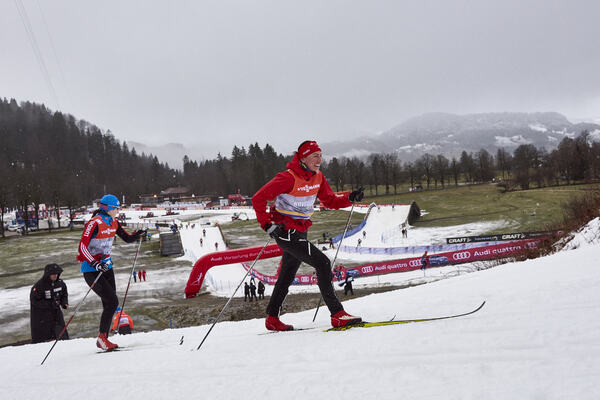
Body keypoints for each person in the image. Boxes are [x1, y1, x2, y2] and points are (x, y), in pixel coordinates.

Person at [252, 140, 364, 331]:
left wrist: (349, 197)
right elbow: (258, 198)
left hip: (301, 229)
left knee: (287, 274)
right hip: (285, 230)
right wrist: (267, 225)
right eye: (315, 156)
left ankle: (272, 318)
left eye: (321, 155)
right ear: (303, 158)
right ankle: (337, 314)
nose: (319, 160)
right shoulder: (287, 178)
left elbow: (329, 200)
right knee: (322, 263)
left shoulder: (318, 177)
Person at [77, 194, 144, 351]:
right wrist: (94, 263)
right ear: (108, 208)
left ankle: (104, 338)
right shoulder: (94, 223)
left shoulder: (113, 222)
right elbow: (82, 247)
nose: (118, 211)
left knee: (109, 303)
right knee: (112, 301)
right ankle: (102, 338)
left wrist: (136, 235)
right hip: (92, 269)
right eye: (116, 208)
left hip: (107, 267)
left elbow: (126, 238)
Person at [30, 263, 69, 343]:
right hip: (42, 315)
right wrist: (50, 304)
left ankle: (64, 343)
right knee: (43, 337)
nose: (55, 275)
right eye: (53, 274)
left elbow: (64, 294)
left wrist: (64, 303)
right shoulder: (39, 286)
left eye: (56, 274)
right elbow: (34, 301)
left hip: (56, 312)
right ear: (48, 274)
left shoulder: (60, 283)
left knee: (61, 332)